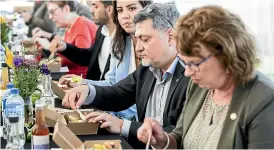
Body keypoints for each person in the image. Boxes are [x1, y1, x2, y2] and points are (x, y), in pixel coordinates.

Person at [137, 5, 274, 149]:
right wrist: (163, 140)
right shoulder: (199, 85)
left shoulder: (264, 100)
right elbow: (180, 137)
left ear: (226, 55)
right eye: (185, 63)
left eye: (194, 63)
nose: (187, 73)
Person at [62, 3, 189, 149]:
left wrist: (123, 125)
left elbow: (179, 134)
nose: (138, 48)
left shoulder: (191, 76)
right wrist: (88, 90)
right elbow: (119, 93)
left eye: (145, 40)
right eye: (137, 39)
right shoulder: (148, 69)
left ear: (170, 37)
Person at [56, 0, 152, 121]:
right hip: (117, 115)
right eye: (120, 10)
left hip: (134, 121)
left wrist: (86, 86)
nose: (125, 15)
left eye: (132, 8)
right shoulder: (120, 41)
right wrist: (82, 84)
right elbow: (113, 84)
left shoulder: (155, 49)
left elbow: (125, 94)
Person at [54, 0, 115, 82]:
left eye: (96, 7)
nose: (91, 10)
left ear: (109, 9)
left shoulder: (121, 36)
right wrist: (66, 47)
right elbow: (89, 57)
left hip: (104, 90)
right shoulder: (102, 30)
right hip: (95, 87)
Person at [35, 0, 98, 78]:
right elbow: (66, 58)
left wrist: (49, 47)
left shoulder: (82, 25)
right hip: (70, 76)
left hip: (79, 81)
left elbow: (82, 63)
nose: (50, 17)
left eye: (52, 12)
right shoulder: (70, 26)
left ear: (66, 9)